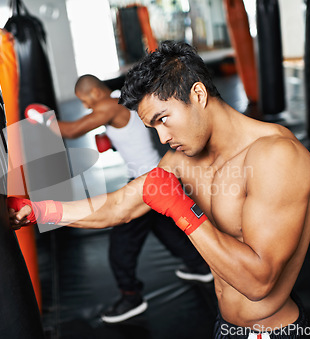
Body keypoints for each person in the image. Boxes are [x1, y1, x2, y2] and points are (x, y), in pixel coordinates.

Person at [10, 41, 310, 338]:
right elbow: (120, 206)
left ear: (197, 94)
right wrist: (39, 210)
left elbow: (258, 283)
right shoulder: (181, 160)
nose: (162, 138)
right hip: (225, 326)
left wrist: (183, 210)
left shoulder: (276, 156)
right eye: (153, 127)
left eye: (163, 119)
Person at [32, 74, 212, 323]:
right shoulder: (121, 100)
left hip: (146, 183)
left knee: (121, 244)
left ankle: (131, 297)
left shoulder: (107, 106)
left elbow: (72, 131)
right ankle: (200, 266)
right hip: (160, 176)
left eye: (85, 101)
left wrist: (42, 119)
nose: (86, 107)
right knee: (163, 228)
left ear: (95, 93)